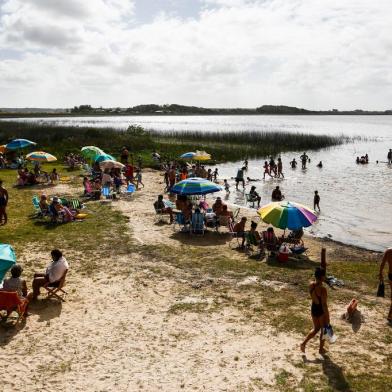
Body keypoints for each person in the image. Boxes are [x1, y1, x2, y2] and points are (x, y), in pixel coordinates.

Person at [301, 267, 330, 354]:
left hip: (313, 308)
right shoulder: (323, 289)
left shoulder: (311, 285)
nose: (325, 277)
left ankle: (303, 343)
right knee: (324, 330)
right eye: (324, 276)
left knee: (316, 328)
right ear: (321, 277)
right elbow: (324, 305)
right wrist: (327, 316)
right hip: (321, 310)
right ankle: (321, 349)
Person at [379, 248, 392, 322]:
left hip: (391, 275)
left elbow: (383, 263)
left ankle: (390, 315)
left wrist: (380, 273)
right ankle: (390, 316)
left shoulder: (388, 251)